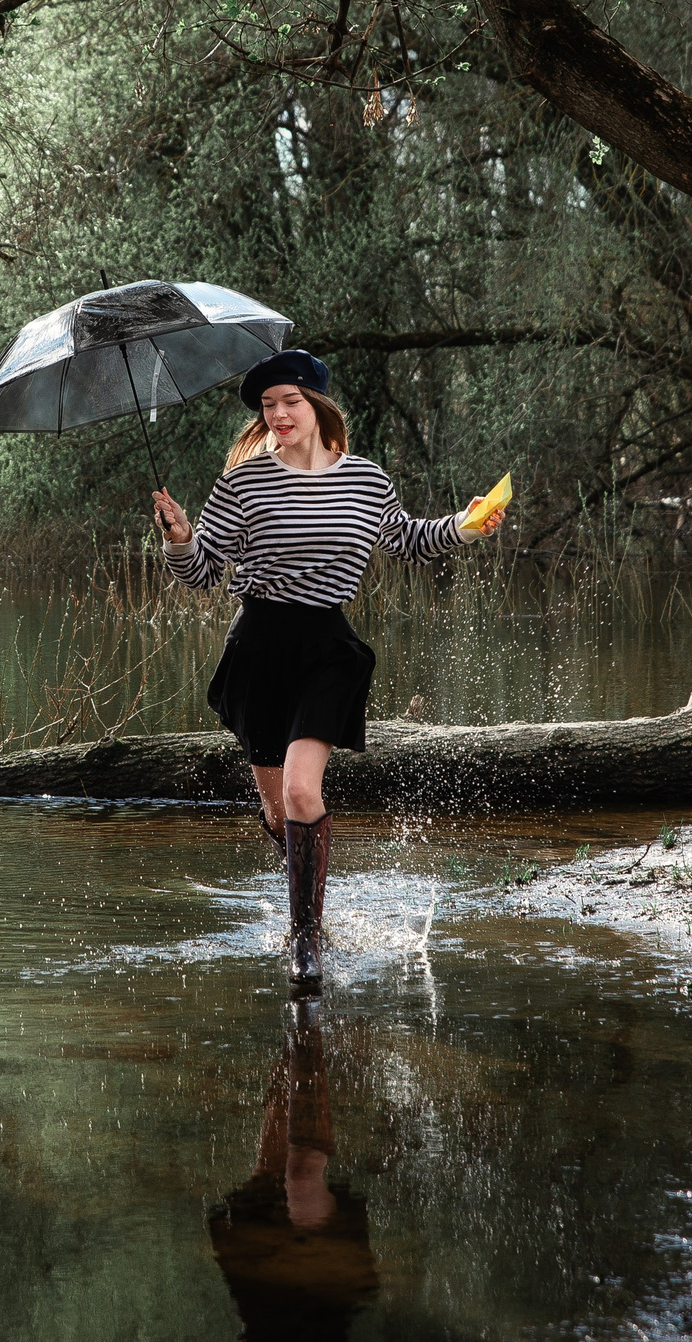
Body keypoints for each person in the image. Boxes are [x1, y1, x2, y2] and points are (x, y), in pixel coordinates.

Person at [152, 349, 504, 991]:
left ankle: (305, 942)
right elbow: (201, 575)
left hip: (327, 648)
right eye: (268, 406)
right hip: (258, 649)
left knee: (300, 792)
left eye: (290, 401)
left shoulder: (365, 479)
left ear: (317, 406)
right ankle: (310, 902)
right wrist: (179, 539)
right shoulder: (243, 484)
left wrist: (466, 525)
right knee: (275, 808)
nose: (279, 414)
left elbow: (407, 539)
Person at [208, 1003, 379, 1340]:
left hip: (264, 1288)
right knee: (301, 1175)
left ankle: (302, 1017)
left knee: (274, 1166)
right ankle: (307, 1014)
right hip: (316, 1300)